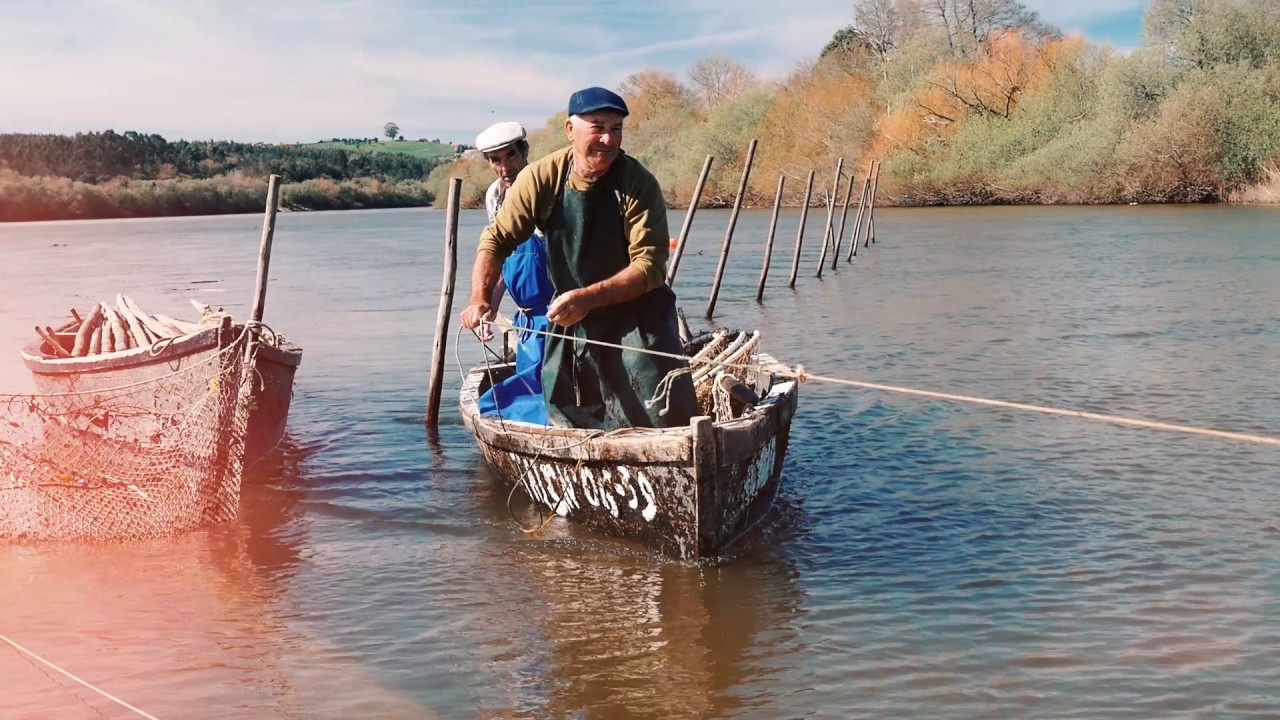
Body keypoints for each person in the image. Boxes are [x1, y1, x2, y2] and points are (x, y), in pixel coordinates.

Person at [460, 87, 697, 431]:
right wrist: (480, 299)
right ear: (571, 130)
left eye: (616, 129)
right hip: (573, 313)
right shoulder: (541, 179)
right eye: (597, 126)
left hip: (639, 310)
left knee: (658, 406)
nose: (608, 139)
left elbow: (650, 266)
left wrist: (589, 297)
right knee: (568, 409)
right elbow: (496, 241)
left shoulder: (637, 183)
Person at [472, 121, 555, 426]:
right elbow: (503, 257)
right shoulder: (494, 196)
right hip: (526, 318)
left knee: (554, 389)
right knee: (529, 385)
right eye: (496, 160)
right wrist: (490, 307)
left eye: (511, 156)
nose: (504, 167)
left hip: (557, 311)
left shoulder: (546, 189)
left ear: (524, 153)